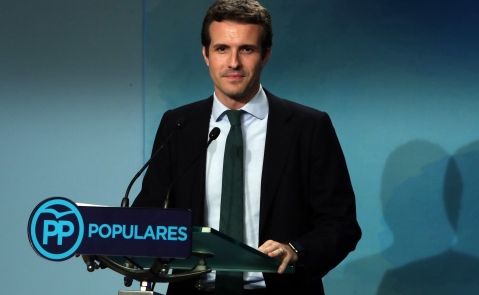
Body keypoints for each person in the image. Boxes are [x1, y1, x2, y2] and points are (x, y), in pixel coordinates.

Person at [133, 0, 361, 294]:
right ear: (205, 54)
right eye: (222, 49)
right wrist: (109, 241)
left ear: (265, 54)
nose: (233, 63)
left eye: (247, 49)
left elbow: (341, 225)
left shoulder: (308, 127)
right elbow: (148, 214)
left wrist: (296, 249)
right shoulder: (178, 125)